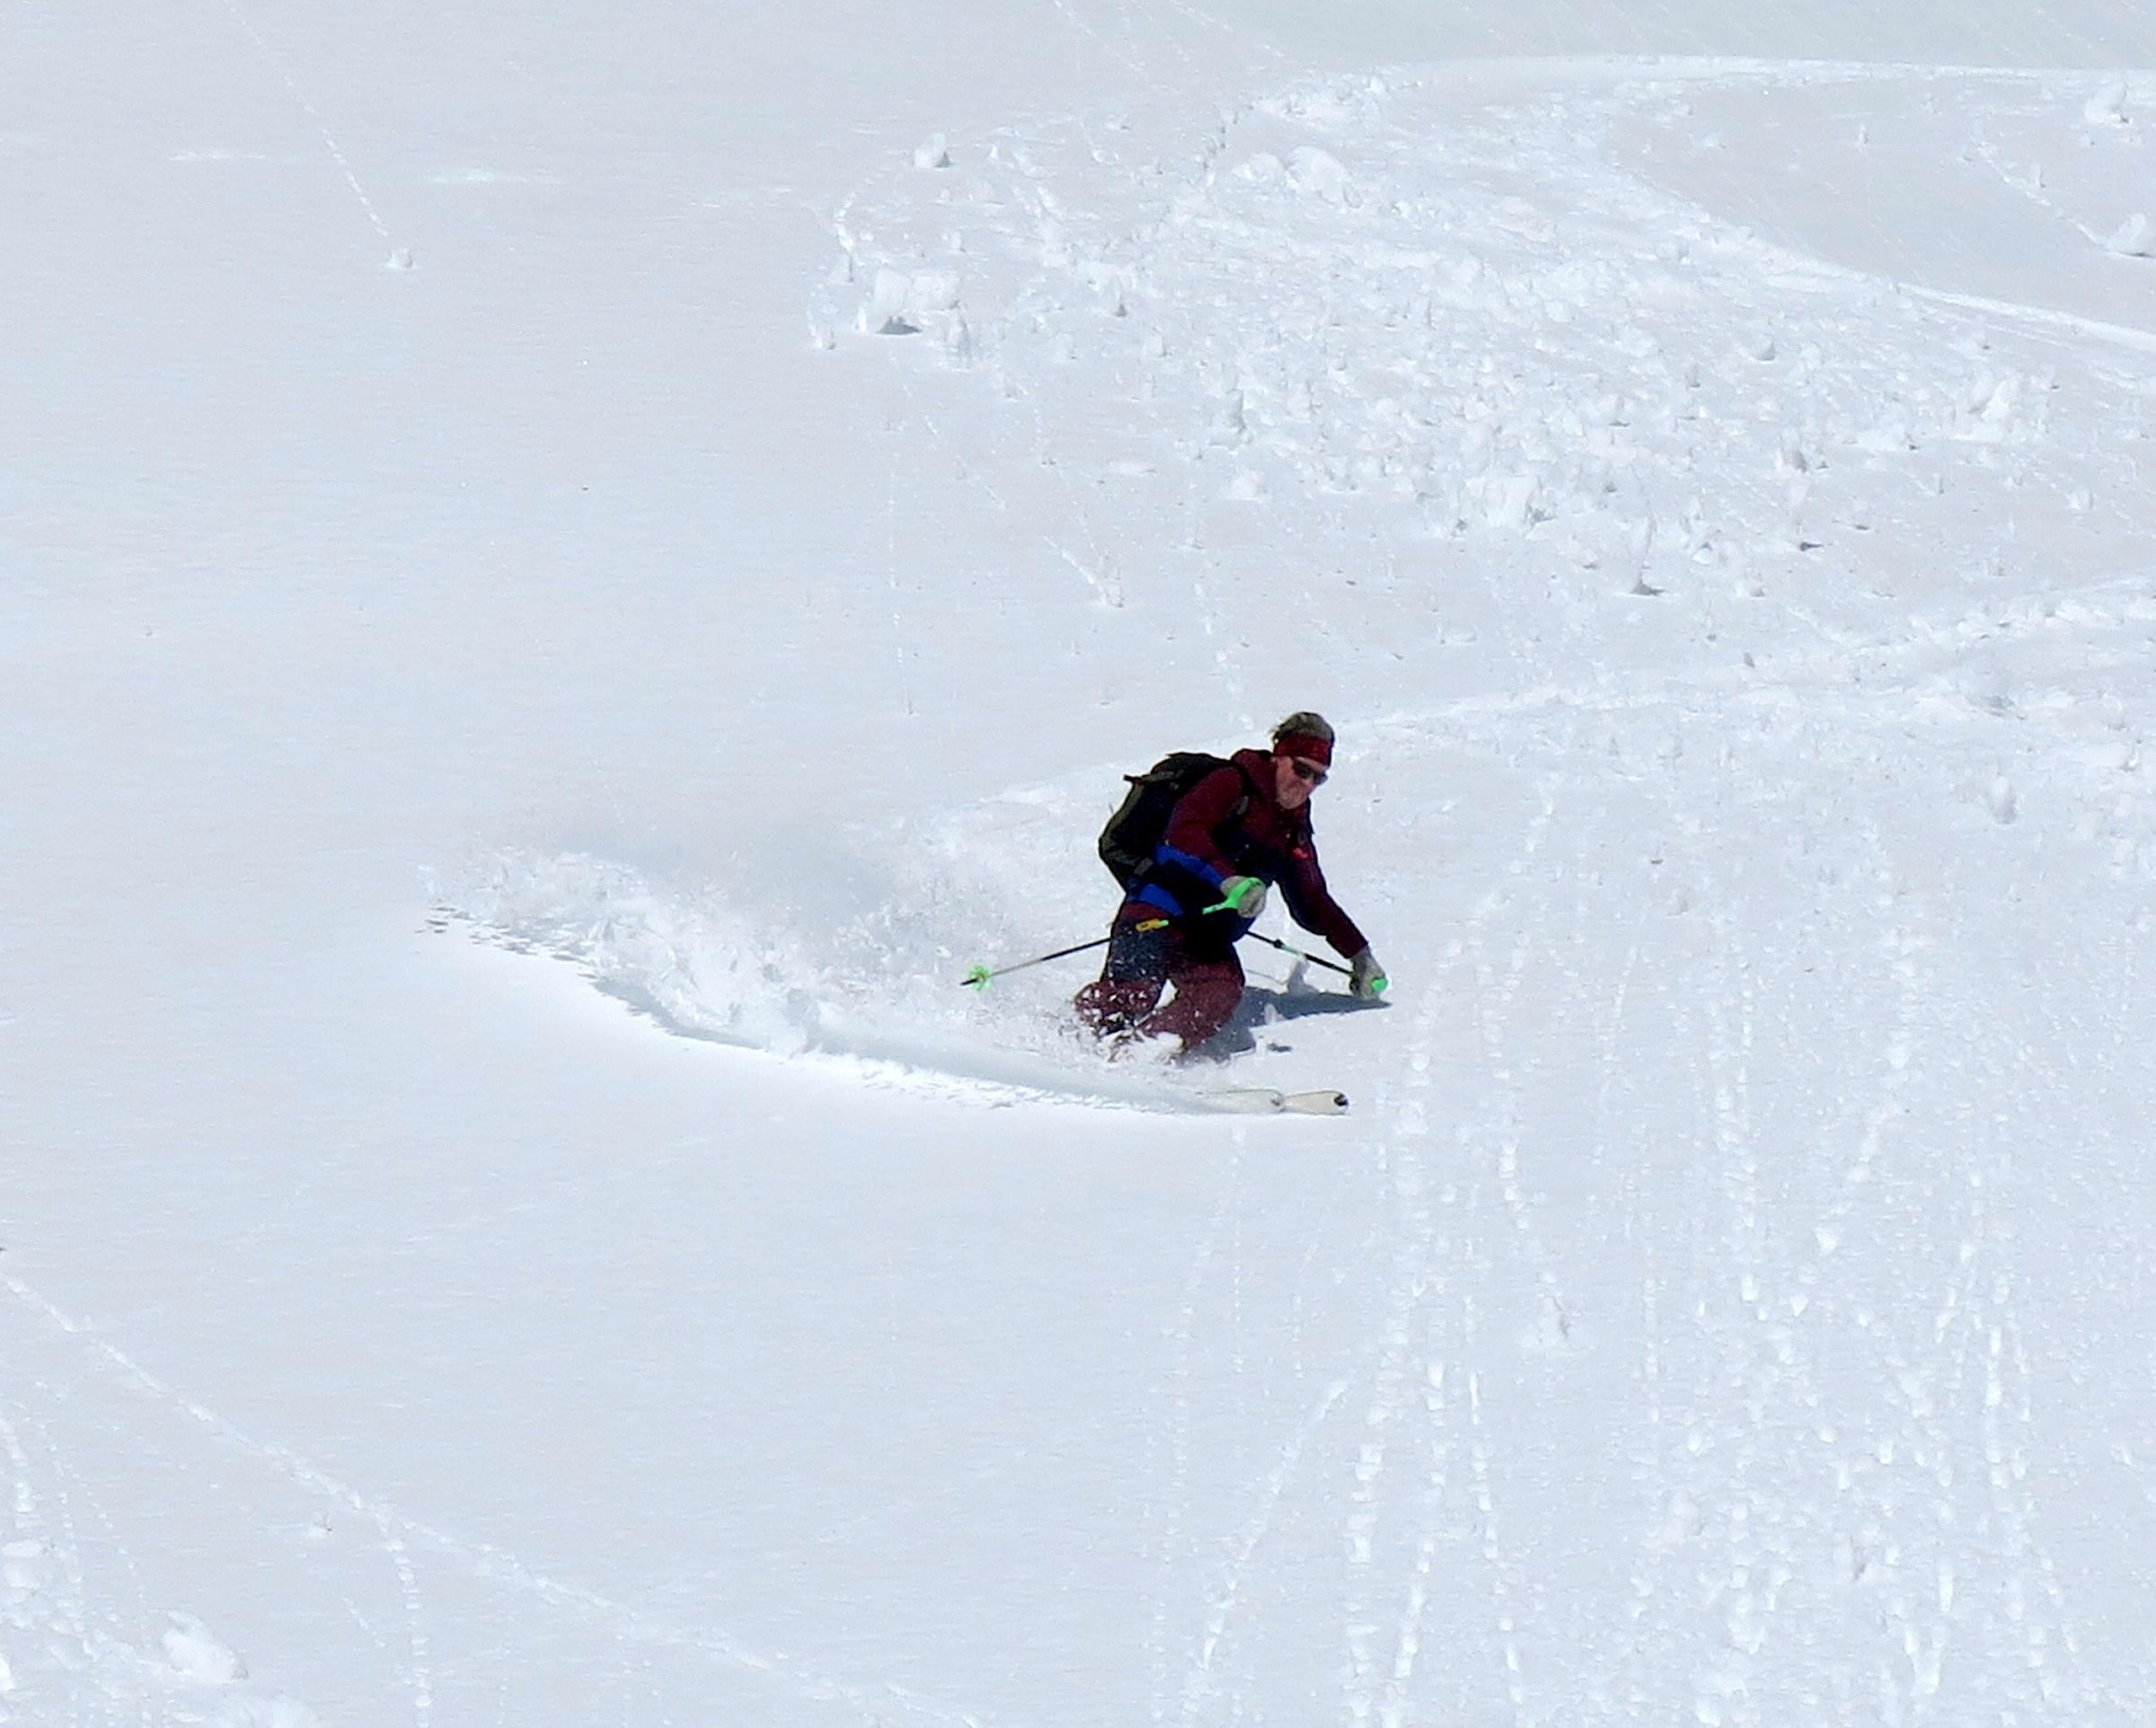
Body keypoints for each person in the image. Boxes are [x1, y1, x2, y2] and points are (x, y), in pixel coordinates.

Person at [1074, 712, 1386, 1057]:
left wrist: (1359, 954)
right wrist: (1229, 881)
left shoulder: (1292, 828)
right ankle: (1074, 1042)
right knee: (1133, 995)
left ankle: (1142, 1052)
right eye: (1302, 770)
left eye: (1319, 778)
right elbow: (1182, 835)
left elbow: (1312, 899)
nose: (1308, 784)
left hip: (1208, 937)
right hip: (1157, 910)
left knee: (1219, 992)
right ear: (1279, 757)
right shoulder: (1231, 782)